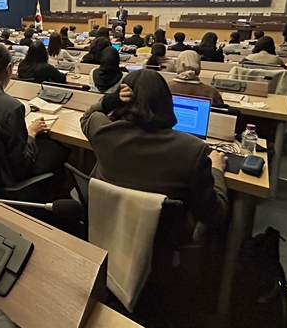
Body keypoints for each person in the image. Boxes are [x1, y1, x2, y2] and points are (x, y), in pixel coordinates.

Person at [80, 70, 229, 262]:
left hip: (109, 224)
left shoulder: (102, 131)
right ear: (167, 101)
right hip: (161, 239)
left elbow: (87, 116)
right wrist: (216, 170)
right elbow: (214, 214)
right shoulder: (193, 149)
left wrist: (110, 101)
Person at [0, 43, 70, 188]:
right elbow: (22, 164)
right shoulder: (12, 107)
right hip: (7, 178)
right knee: (59, 150)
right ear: (9, 68)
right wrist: (31, 133)